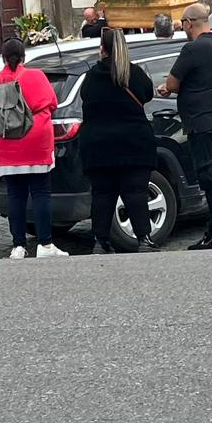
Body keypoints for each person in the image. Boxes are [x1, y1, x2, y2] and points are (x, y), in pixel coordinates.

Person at [159, 3, 212, 250]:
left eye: (182, 24)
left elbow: (172, 82)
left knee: (211, 179)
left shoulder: (192, 49)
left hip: (202, 123)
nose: (182, 28)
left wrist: (165, 88)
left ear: (189, 23)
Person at [79, 27, 158, 254]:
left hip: (98, 144)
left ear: (102, 49)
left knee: (102, 195)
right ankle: (143, 238)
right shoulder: (133, 73)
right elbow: (147, 93)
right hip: (133, 142)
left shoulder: (91, 76)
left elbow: (86, 98)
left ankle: (101, 241)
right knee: (136, 193)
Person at [0, 36, 68, 259]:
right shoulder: (36, 76)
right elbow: (51, 102)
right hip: (36, 139)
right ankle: (45, 244)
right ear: (24, 56)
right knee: (41, 193)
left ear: (3, 58)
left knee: (15, 195)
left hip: (7, 141)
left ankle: (18, 246)